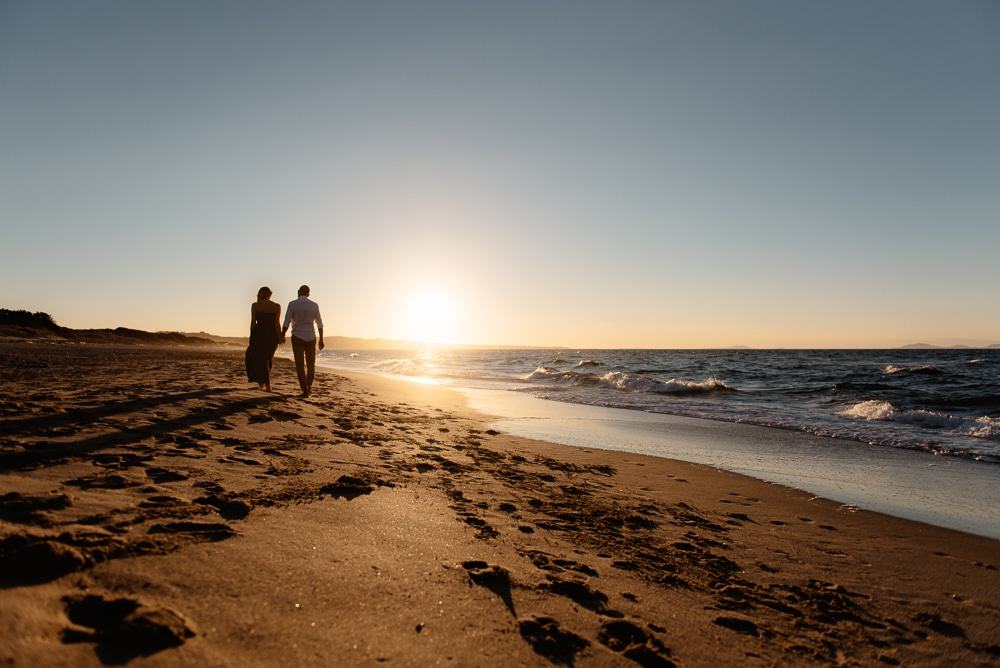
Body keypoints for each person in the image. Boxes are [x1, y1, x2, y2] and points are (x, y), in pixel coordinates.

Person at [282, 284, 324, 397]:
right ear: (308, 294)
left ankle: (304, 389)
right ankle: (309, 387)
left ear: (299, 292)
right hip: (311, 337)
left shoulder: (292, 304)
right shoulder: (314, 305)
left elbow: (286, 321)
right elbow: (320, 324)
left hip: (297, 337)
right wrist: (321, 340)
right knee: (311, 365)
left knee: (300, 364)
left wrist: (282, 335)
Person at [245, 286, 281, 392]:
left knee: (257, 358)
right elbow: (276, 324)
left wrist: (251, 336)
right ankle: (263, 382)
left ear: (260, 294)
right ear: (270, 295)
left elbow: (253, 322)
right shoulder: (276, 306)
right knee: (268, 359)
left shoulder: (255, 305)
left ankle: (266, 384)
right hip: (272, 335)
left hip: (258, 334)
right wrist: (279, 337)